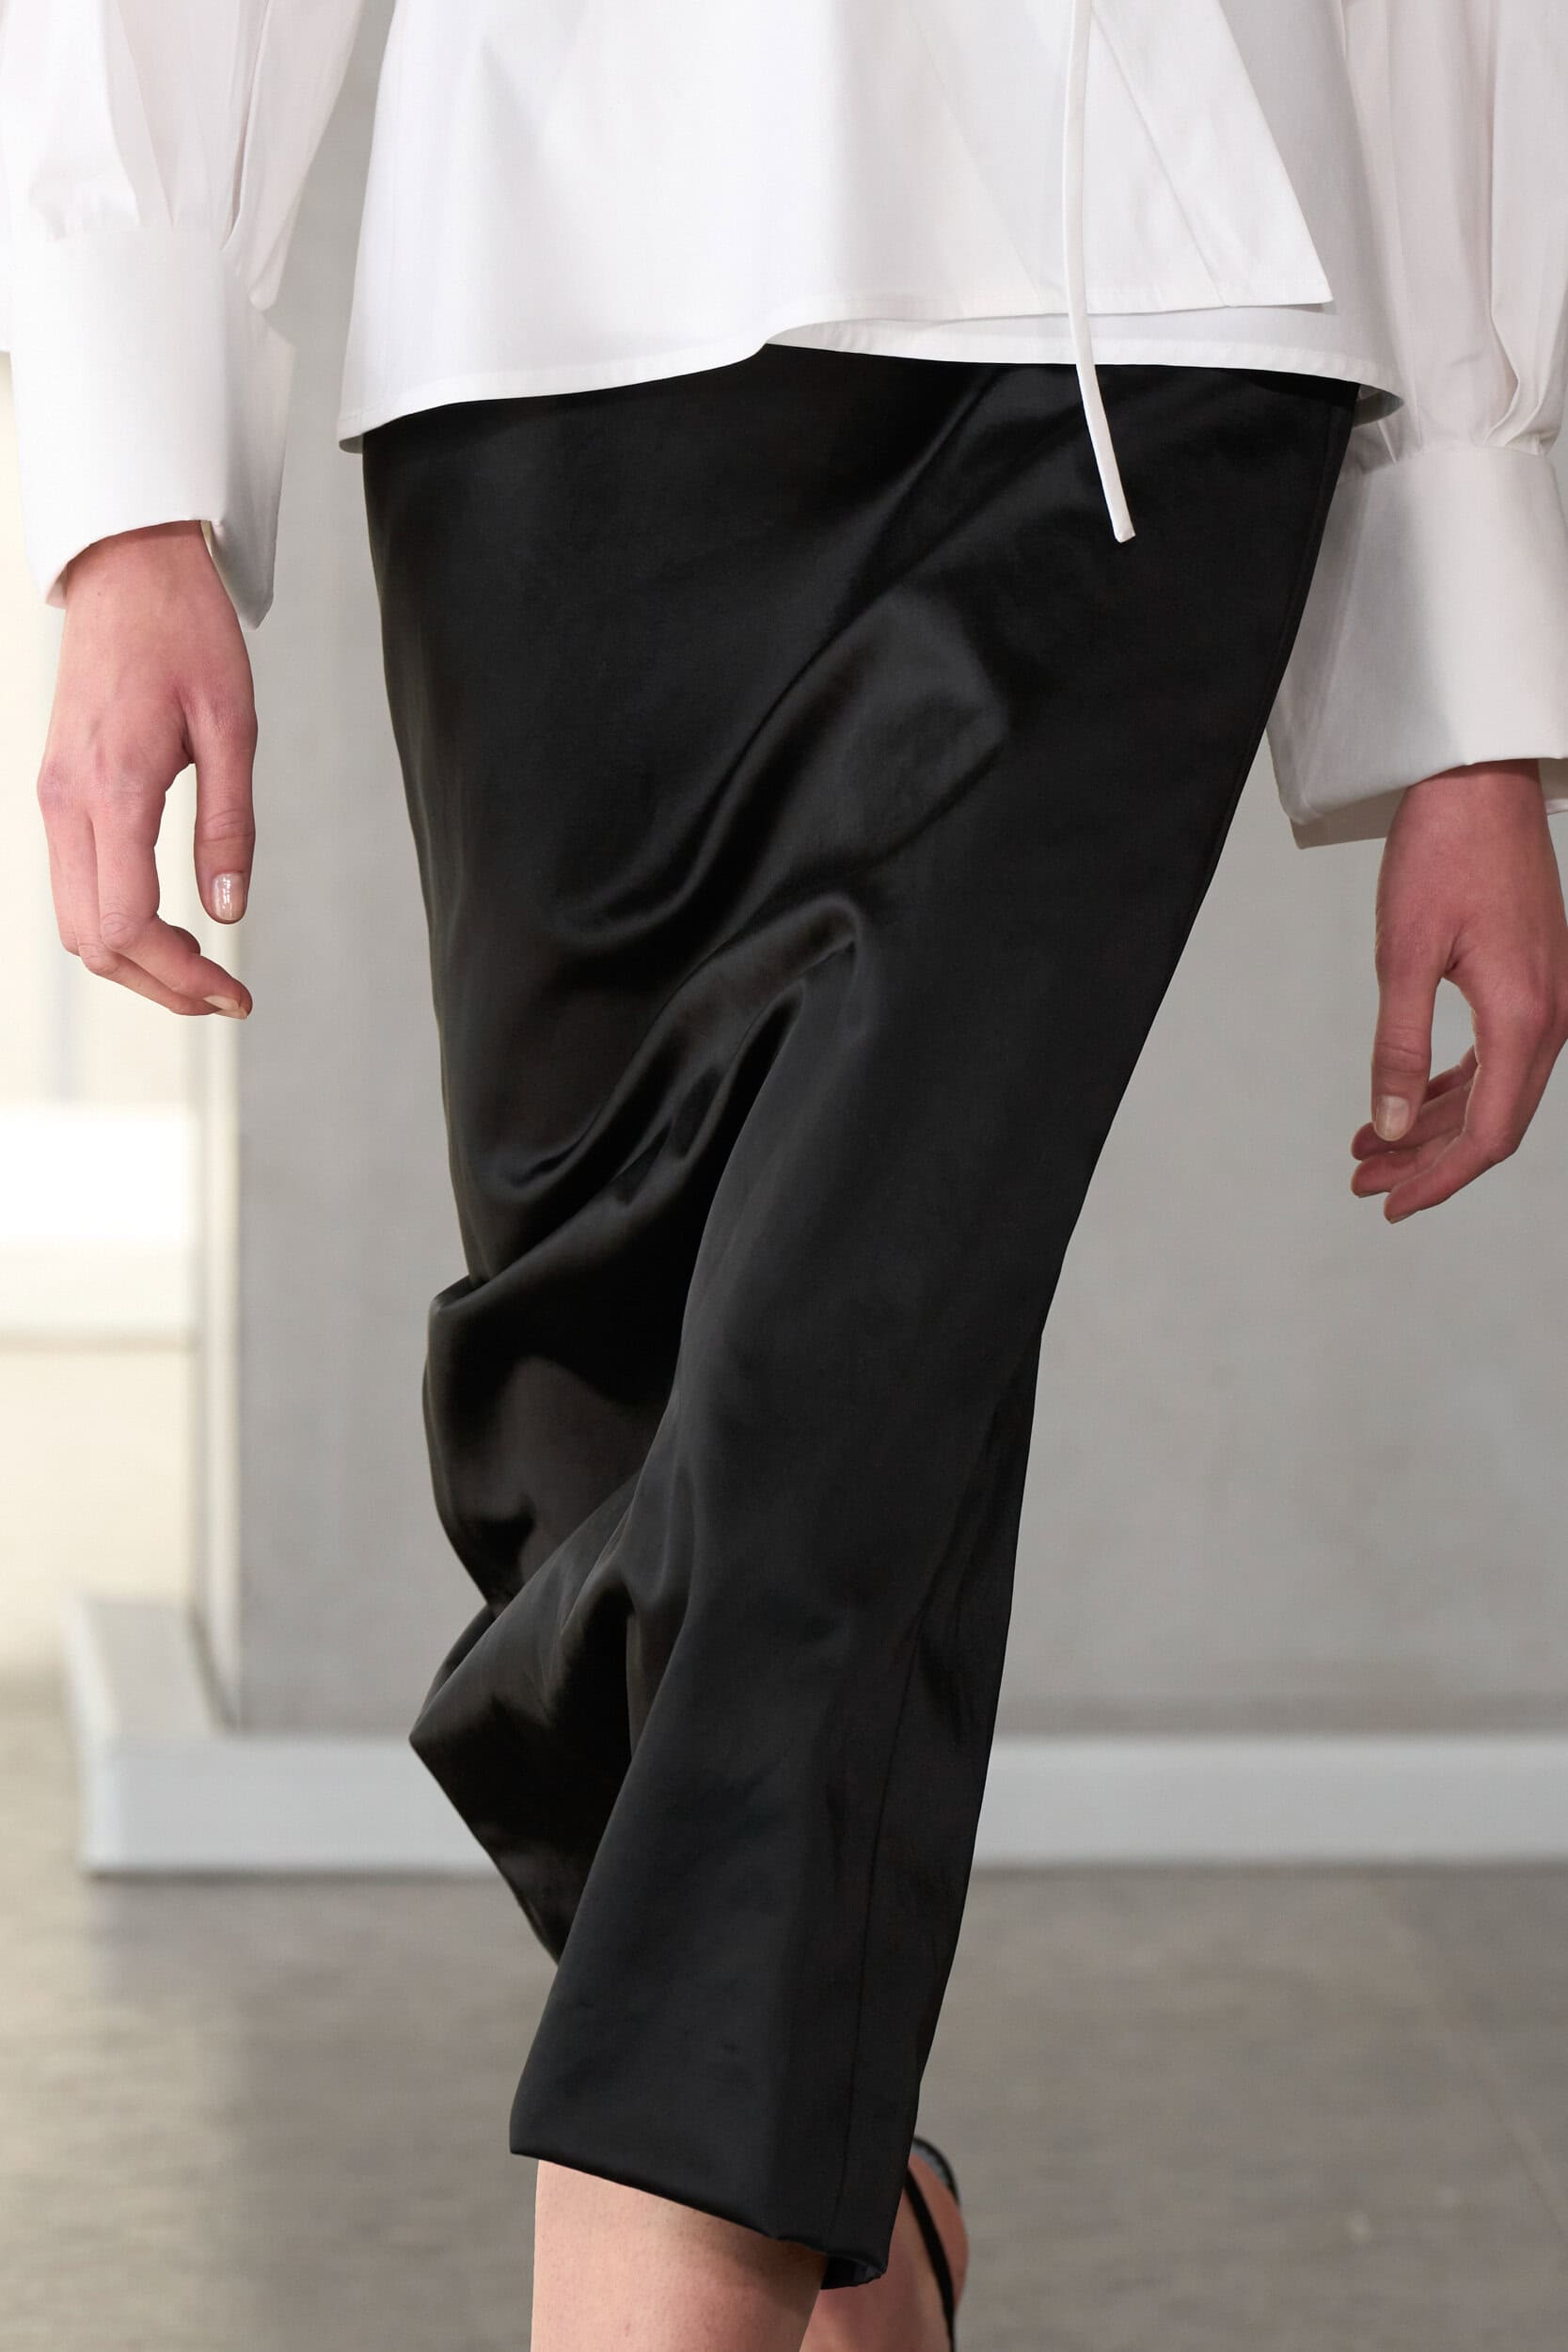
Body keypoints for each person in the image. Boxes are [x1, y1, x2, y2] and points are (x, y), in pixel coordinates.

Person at [4, 4, 1568, 2346]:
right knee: (596, 1449)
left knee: (801, 1483)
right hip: (550, 333)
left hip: (1129, 330)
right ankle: (852, 2240)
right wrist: (126, 498)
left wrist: (1473, 646)